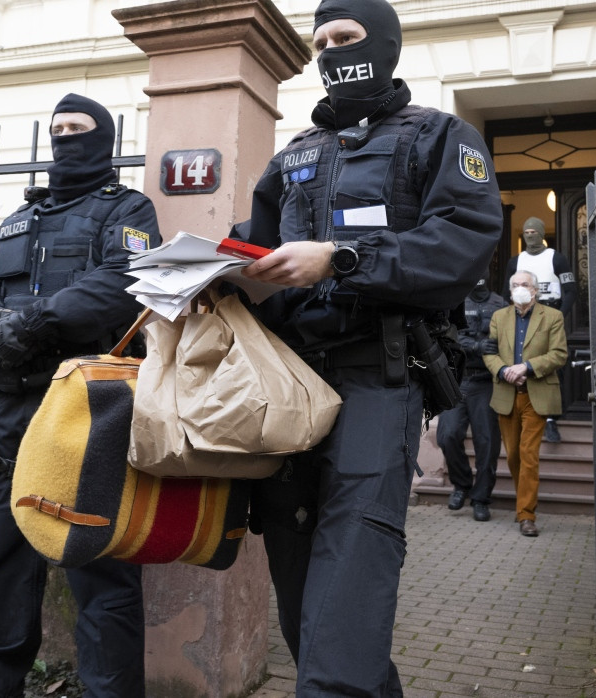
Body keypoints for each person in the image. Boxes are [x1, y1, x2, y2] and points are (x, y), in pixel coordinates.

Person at [231, 0, 502, 693]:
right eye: (320, 41)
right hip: (289, 390)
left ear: (382, 43)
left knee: (350, 583)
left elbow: (463, 246)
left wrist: (341, 258)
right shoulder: (293, 155)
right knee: (303, 601)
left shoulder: (439, 137)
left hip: (378, 381)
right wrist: (213, 274)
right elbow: (255, 247)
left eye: (345, 37)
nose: (331, 51)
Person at [0, 93, 158, 698]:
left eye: (79, 128)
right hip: (11, 408)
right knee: (8, 563)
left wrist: (36, 323)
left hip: (85, 412)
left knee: (100, 567)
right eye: (58, 129)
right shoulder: (19, 219)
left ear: (103, 138)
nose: (66, 138)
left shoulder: (127, 208)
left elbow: (123, 282)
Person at [483, 270, 568, 537]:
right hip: (507, 395)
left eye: (525, 284)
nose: (519, 288)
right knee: (514, 456)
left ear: (535, 290)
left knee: (529, 455)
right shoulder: (499, 317)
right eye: (515, 284)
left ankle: (526, 515)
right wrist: (503, 371)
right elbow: (490, 351)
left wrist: (527, 367)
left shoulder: (552, 316)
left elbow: (558, 354)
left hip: (536, 394)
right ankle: (524, 505)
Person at [438, 278, 508, 522]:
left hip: (486, 382)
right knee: (447, 435)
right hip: (457, 380)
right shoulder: (456, 302)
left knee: (487, 443)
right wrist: (476, 345)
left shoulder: (501, 304)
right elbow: (449, 333)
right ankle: (461, 484)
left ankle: (481, 498)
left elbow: (506, 338)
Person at [505, 216, 575, 442]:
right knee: (523, 365)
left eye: (534, 231)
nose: (530, 235)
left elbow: (571, 291)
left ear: (542, 233)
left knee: (553, 367)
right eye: (526, 232)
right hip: (523, 316)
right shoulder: (515, 262)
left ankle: (552, 420)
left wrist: (558, 317)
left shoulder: (557, 259)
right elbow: (507, 292)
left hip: (550, 314)